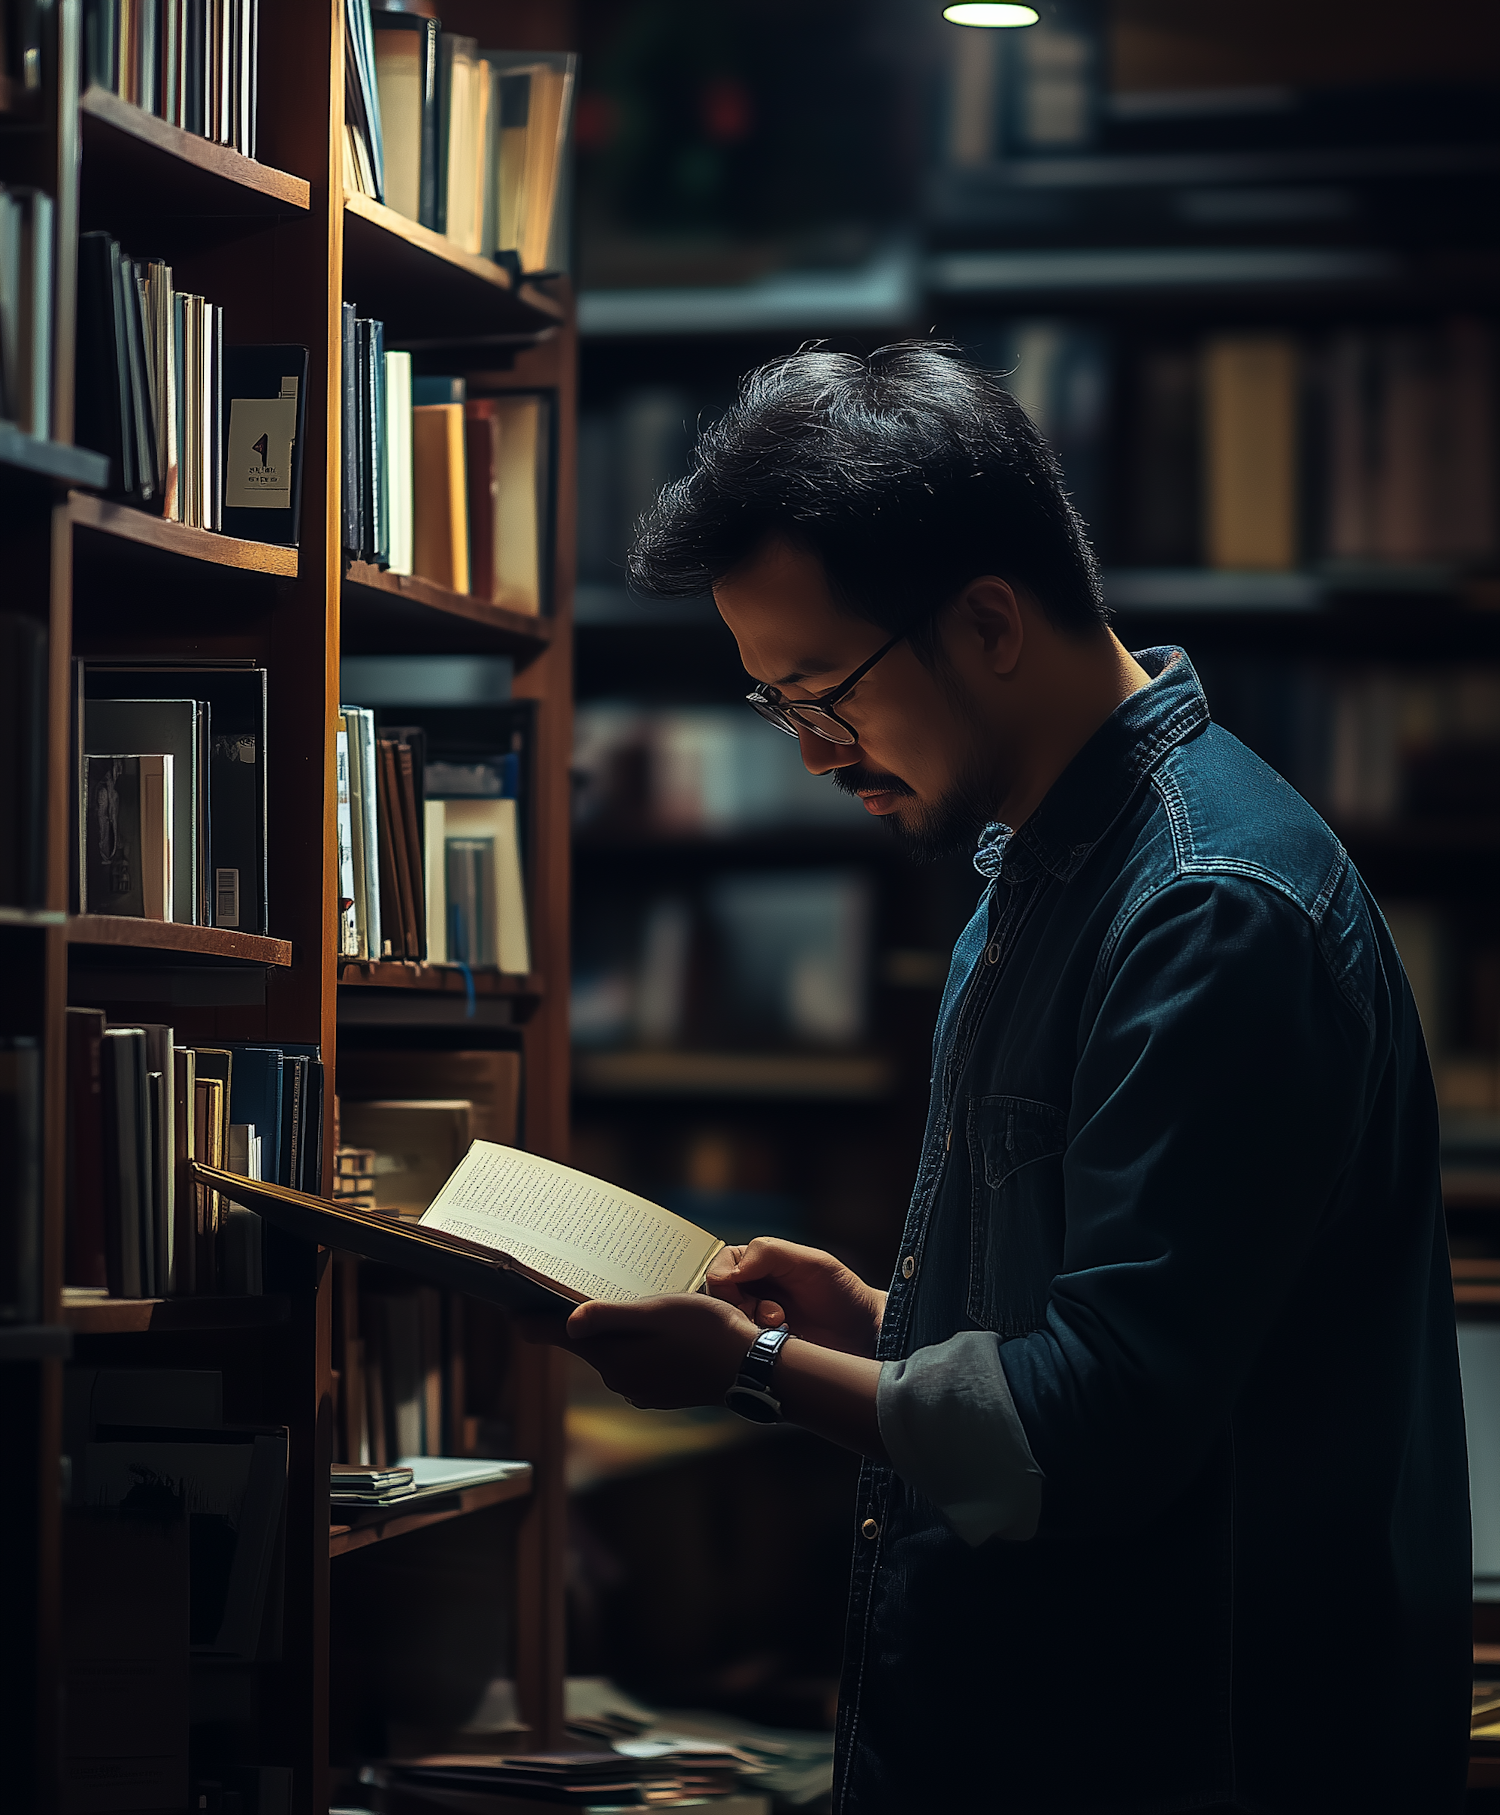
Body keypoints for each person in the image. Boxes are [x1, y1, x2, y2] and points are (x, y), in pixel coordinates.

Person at [552, 342, 1471, 1812]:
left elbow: (1104, 1416)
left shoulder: (1210, 908)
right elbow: (1079, 1315)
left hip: (1185, 1745)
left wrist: (763, 1374)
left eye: (825, 694)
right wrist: (881, 1318)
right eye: (773, 707)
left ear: (987, 621)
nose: (809, 754)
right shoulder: (1031, 878)